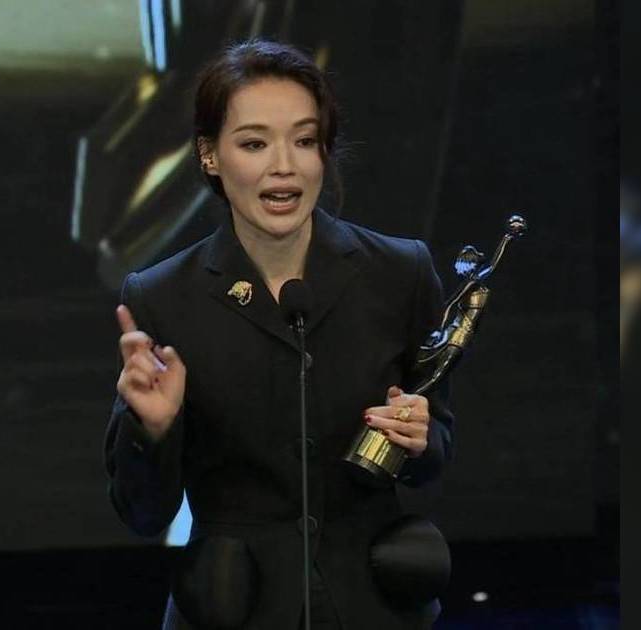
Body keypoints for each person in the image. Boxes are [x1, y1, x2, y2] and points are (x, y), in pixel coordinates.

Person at [105, 39, 454, 630]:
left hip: (372, 603)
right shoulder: (161, 296)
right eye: (254, 143)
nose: (284, 166)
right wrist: (153, 431)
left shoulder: (401, 273)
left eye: (304, 140)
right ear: (210, 156)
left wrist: (422, 440)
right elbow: (143, 514)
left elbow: (435, 447)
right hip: (233, 605)